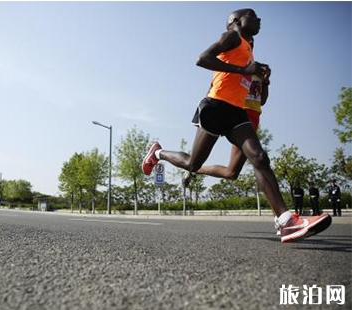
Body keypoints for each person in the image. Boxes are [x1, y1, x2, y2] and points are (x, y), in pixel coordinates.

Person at [141, 8, 331, 243]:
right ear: (236, 21)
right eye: (253, 15)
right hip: (215, 106)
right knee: (193, 163)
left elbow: (259, 100)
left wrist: (264, 80)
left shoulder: (250, 53)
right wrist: (244, 70)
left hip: (237, 113)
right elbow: (202, 59)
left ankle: (286, 222)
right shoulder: (232, 37)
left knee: (259, 157)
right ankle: (157, 152)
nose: (259, 19)